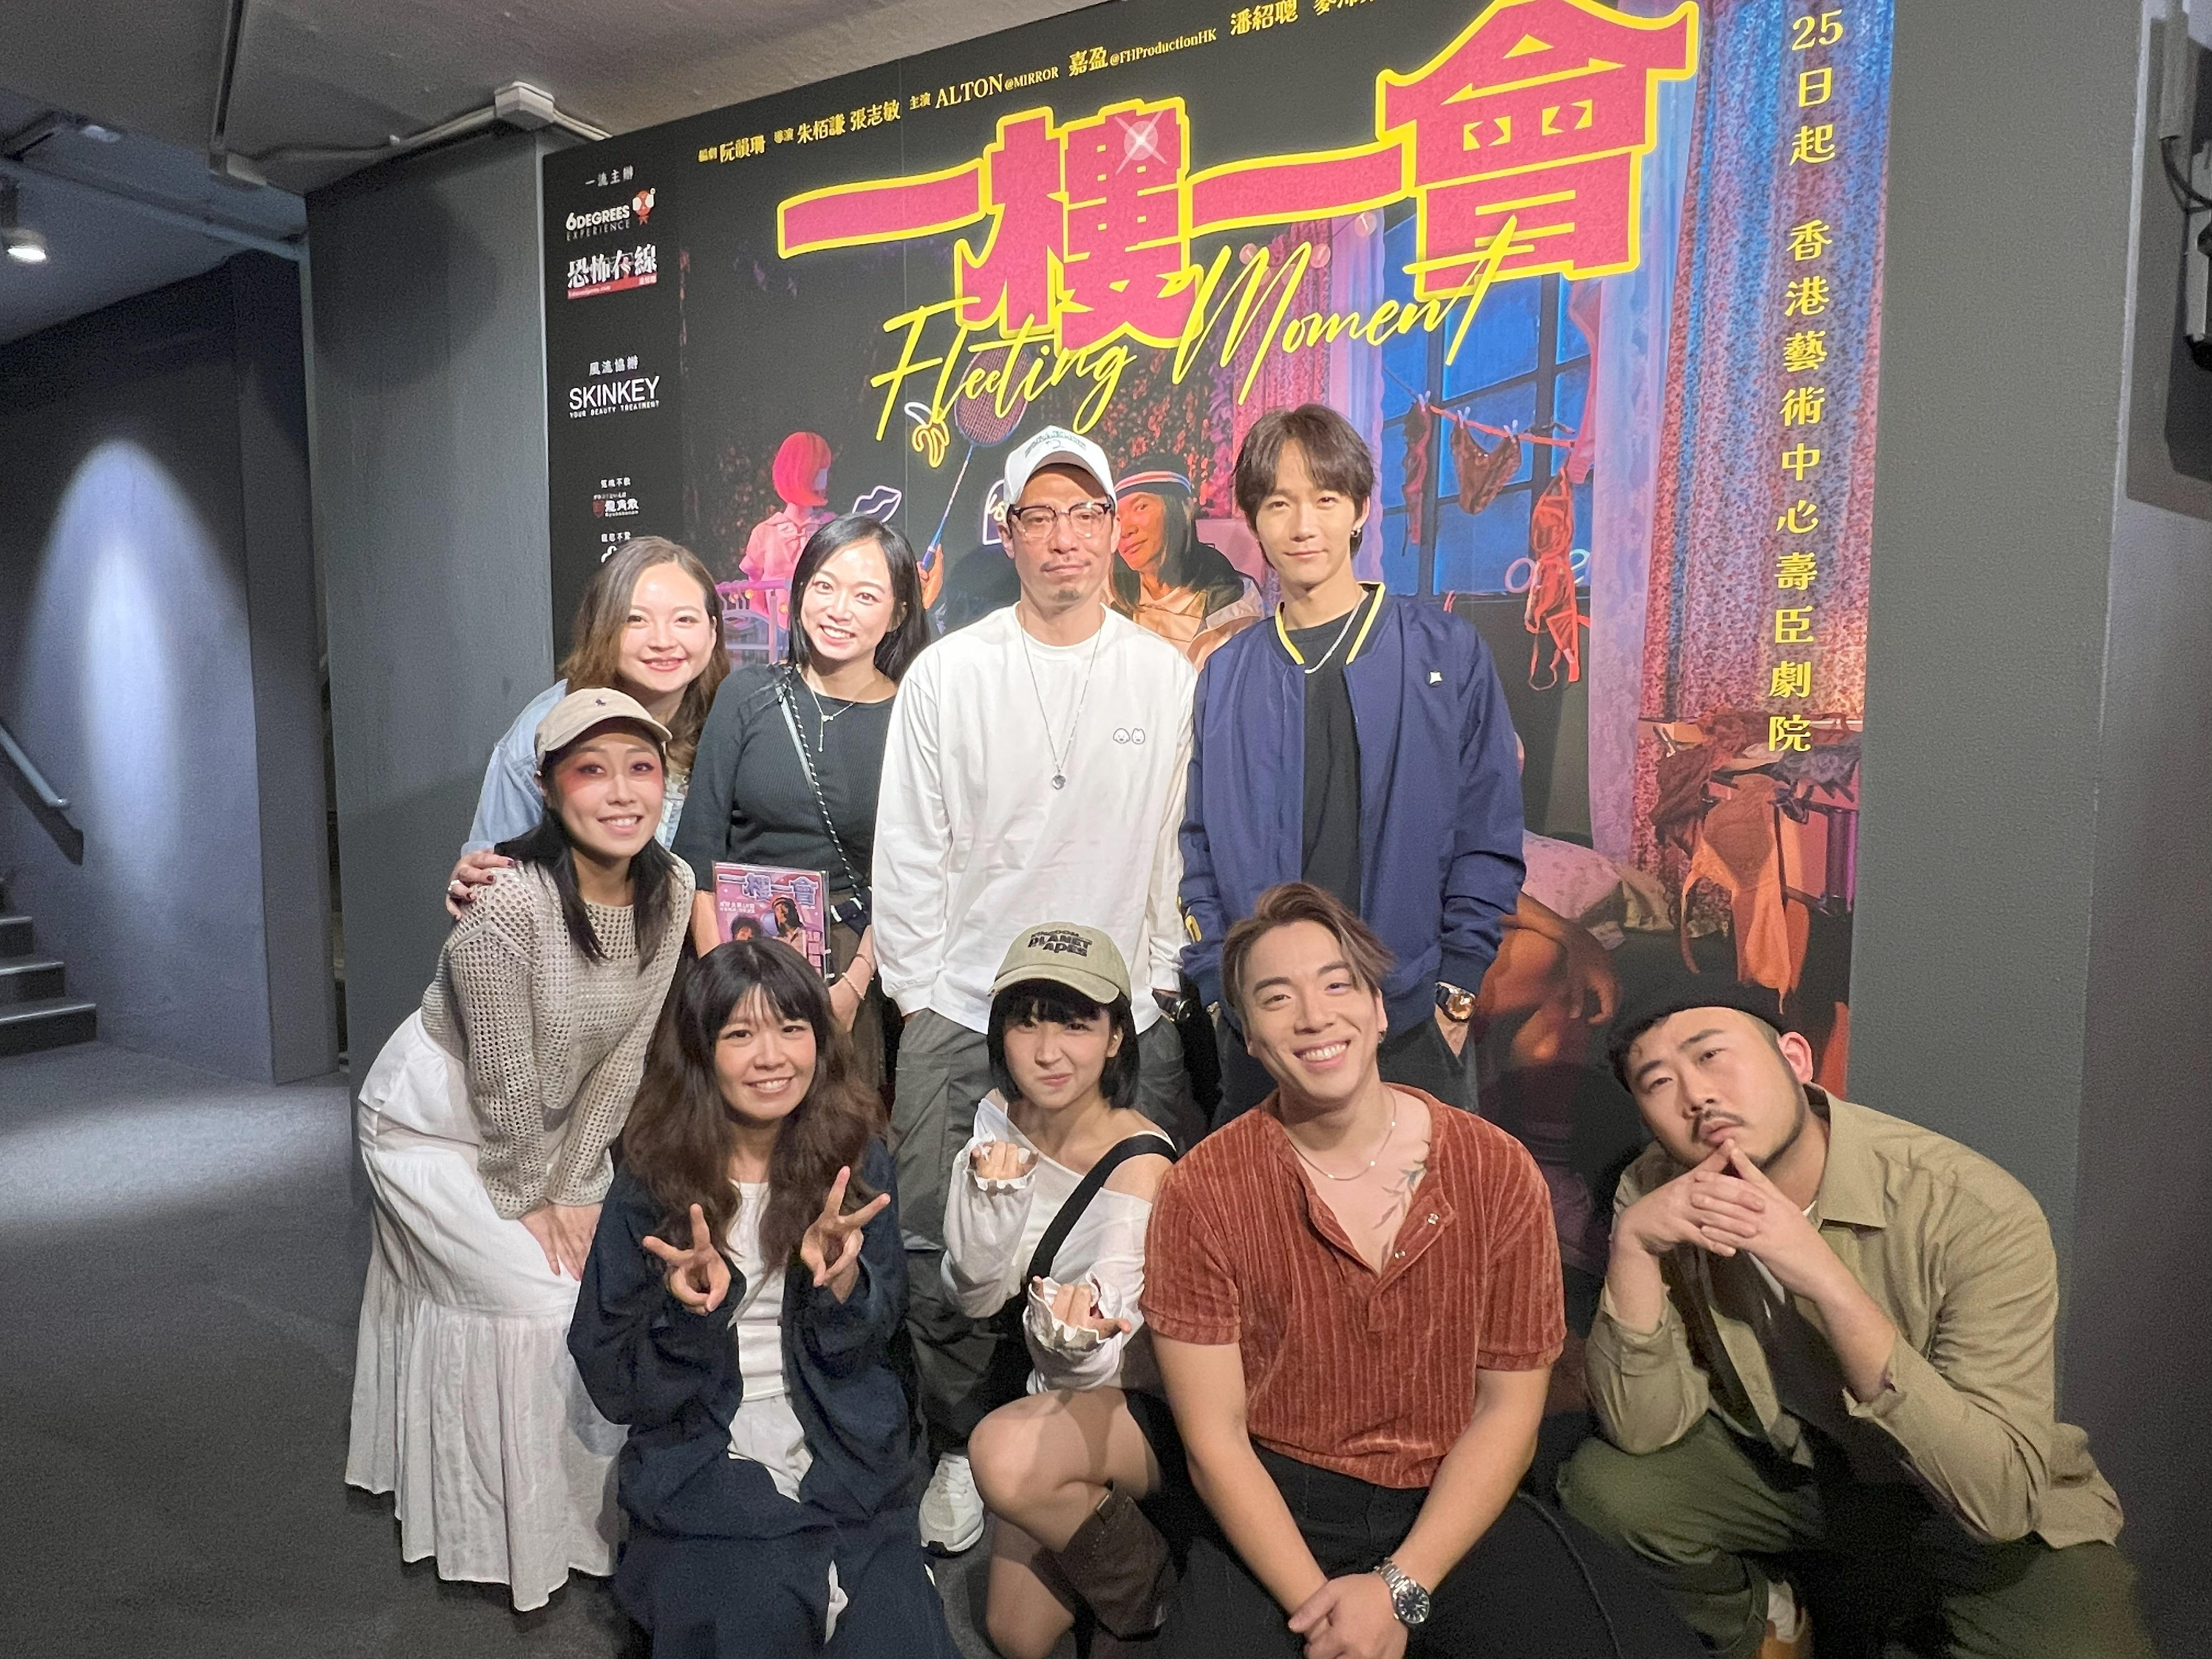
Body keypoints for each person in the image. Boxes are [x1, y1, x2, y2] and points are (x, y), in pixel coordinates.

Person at [1142, 882, 1707, 1659]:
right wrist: (1327, 1614)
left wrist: (1400, 1589)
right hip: (1281, 1502)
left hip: (1451, 1496)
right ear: (1251, 1038)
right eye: (1276, 998)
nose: (1313, 1016)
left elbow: (1508, 1411)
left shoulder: (1494, 1169)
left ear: (1378, 1010)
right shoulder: (1203, 1191)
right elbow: (1216, 1443)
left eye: (1337, 985)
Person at [1557, 981, 2159, 1659]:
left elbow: (1997, 1504)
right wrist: (1634, 1249)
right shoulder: (1657, 1188)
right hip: (1793, 1472)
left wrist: (1826, 1280)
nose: (1696, 1096)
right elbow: (1642, 1430)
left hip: (1955, 1495)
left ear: (1795, 1058)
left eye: (1712, 1056)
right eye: (1658, 1082)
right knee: (1608, 1492)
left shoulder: (1971, 1208)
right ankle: (1771, 1624)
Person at [873, 424, 1200, 1554]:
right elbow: (910, 847)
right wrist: (920, 998)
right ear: (1007, 532)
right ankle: (960, 1443)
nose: (1064, 539)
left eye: (1085, 514)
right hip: (969, 1006)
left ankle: (1083, 1436)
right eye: (1039, 516)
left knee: (1131, 1245)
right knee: (944, 1246)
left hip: (1119, 1016)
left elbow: (1171, 848)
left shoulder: (1163, 676)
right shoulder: (949, 673)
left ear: (1114, 530)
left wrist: (1156, 987)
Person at [346, 688, 695, 1609]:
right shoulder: (505, 906)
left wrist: (579, 1184)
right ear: (547, 787)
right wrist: (533, 1197)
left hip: (553, 1116)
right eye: (590, 770)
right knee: (546, 1298)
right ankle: (518, 1533)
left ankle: (600, 1521)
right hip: (434, 1122)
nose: (620, 792)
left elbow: (625, 1053)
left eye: (641, 768)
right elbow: (499, 1081)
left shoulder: (676, 887)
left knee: (610, 1279)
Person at [568, 938, 956, 1657]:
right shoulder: (654, 1175)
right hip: (701, 1455)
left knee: (900, 1637)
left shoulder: (856, 1158)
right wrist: (688, 1318)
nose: (771, 1057)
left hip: (841, 1443)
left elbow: (879, 1339)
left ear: (820, 1040)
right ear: (701, 1051)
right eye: (740, 1034)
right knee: (757, 1614)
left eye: (791, 1028)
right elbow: (613, 1382)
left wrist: (844, 1286)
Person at [1179, 404, 1525, 1126]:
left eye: (1326, 499)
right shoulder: (1228, 673)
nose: (1303, 526)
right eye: (1280, 504)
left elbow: (1487, 828)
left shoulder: (1445, 651)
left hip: (1410, 1013)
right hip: (1264, 1023)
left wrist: (1457, 983)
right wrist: (1219, 986)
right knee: (1259, 1198)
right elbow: (1199, 843)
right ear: (1254, 521)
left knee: (1429, 1195)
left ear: (1361, 509)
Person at [940, 925, 1180, 1659]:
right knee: (1016, 1633)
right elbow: (976, 1297)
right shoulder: (998, 1114)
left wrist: (1073, 1340)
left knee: (1006, 1462)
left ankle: (1153, 1600)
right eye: (1027, 1023)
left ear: (1116, 1037)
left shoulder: (1143, 1168)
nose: (1048, 1052)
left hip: (1139, 1406)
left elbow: (1097, 1362)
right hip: (1047, 1387)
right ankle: (1095, 1524)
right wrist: (993, 1201)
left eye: (1076, 1024)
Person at [673, 515, 932, 1091]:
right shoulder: (746, 695)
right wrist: (728, 986)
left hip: (853, 962)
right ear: (800, 591)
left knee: (836, 1131)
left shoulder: (913, 718)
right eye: (825, 586)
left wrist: (853, 987)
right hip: (736, 947)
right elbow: (697, 856)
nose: (839, 610)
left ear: (898, 613)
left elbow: (911, 875)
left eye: (865, 596)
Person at [447, 535, 727, 915]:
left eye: (684, 620)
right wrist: (473, 881)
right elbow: (491, 875)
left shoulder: (734, 720)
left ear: (712, 630)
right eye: (635, 619)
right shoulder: (545, 730)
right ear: (602, 627)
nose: (663, 641)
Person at [1108, 452, 1261, 661]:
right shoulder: (1107, 603)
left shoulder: (1236, 609)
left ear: (1186, 507)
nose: (1126, 530)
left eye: (1141, 507)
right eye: (1118, 518)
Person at [743, 430, 838, 584]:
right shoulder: (765, 532)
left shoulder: (831, 528)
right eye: (820, 469)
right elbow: (755, 584)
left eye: (825, 470)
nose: (824, 476)